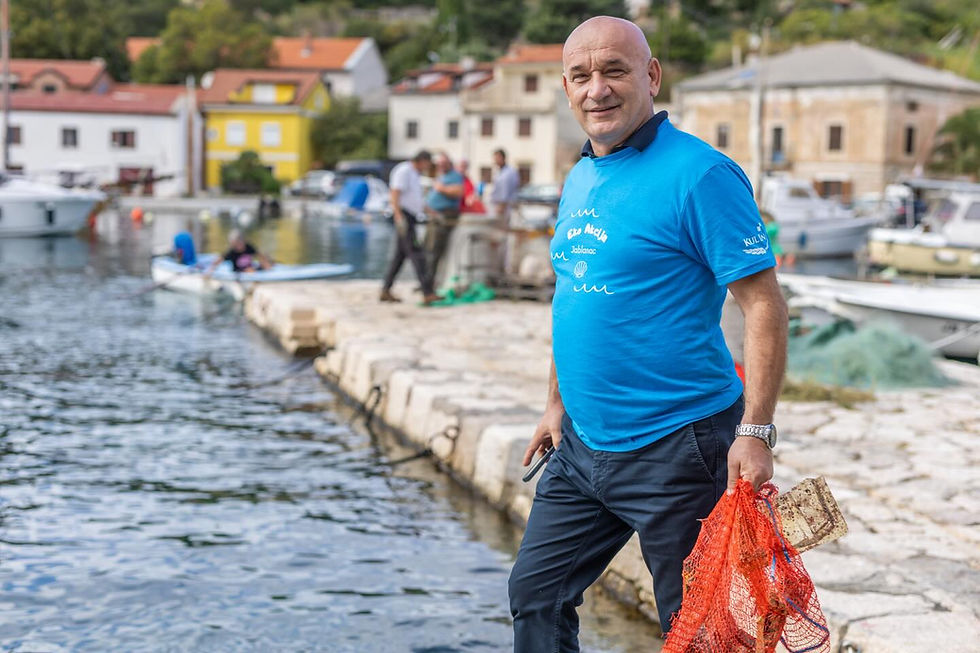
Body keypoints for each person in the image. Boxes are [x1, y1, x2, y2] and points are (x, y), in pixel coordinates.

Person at [508, 16, 788, 652]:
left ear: (651, 76)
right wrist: (555, 403)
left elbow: (764, 304)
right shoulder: (581, 176)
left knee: (696, 634)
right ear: (565, 86)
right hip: (581, 446)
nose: (596, 89)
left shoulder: (701, 174)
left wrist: (756, 430)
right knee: (535, 595)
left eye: (614, 71)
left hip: (679, 446)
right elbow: (571, 292)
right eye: (581, 76)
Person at [380, 150, 441, 305]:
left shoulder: (414, 173)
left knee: (399, 258)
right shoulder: (404, 171)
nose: (428, 166)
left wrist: (430, 211)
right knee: (417, 254)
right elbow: (395, 193)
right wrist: (398, 216)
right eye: (427, 163)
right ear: (422, 160)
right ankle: (427, 292)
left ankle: (385, 290)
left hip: (410, 216)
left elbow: (415, 199)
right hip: (405, 216)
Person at [423, 152, 465, 291]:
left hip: (444, 218)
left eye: (443, 164)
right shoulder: (441, 176)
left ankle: (431, 283)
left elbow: (458, 192)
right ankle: (426, 281)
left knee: (435, 251)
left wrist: (441, 189)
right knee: (427, 249)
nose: (441, 166)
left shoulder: (455, 176)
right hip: (434, 217)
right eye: (439, 164)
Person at [206, 229, 272, 274]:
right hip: (238, 271)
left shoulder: (248, 247)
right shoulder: (231, 252)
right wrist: (211, 270)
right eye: (236, 244)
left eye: (240, 243)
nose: (239, 246)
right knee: (250, 271)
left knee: (263, 266)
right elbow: (219, 260)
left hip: (250, 268)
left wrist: (266, 263)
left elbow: (259, 254)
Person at [489, 148, 519, 227]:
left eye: (497, 158)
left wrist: (502, 205)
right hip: (497, 205)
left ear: (502, 158)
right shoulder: (498, 172)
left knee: (504, 229)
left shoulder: (510, 172)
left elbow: (507, 190)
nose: (495, 160)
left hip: (505, 207)